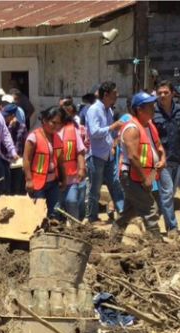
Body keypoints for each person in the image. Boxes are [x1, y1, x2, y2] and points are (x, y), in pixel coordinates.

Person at [110, 93, 166, 242]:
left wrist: (162, 158)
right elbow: (133, 156)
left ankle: (113, 240)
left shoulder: (149, 125)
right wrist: (145, 178)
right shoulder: (132, 129)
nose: (154, 108)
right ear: (139, 109)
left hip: (145, 174)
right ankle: (156, 243)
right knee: (150, 209)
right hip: (132, 176)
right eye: (150, 106)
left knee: (130, 210)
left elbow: (159, 145)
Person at [85, 81, 126, 225]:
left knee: (115, 183)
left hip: (108, 154)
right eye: (115, 93)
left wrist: (114, 140)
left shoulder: (108, 110)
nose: (117, 95)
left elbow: (108, 131)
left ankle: (123, 212)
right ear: (106, 94)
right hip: (96, 155)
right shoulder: (94, 110)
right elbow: (94, 132)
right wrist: (112, 127)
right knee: (94, 188)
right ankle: (92, 217)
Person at [152, 81, 180, 235]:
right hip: (161, 158)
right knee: (167, 192)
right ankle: (172, 227)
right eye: (160, 93)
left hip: (176, 156)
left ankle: (150, 221)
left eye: (166, 92)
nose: (162, 95)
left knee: (169, 193)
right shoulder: (153, 112)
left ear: (172, 93)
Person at [23, 107, 65, 219]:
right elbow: (26, 159)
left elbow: (61, 160)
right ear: (45, 120)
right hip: (37, 183)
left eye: (59, 123)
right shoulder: (34, 137)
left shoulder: (57, 138)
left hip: (53, 182)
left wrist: (63, 179)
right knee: (39, 213)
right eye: (53, 122)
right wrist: (29, 180)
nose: (56, 126)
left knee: (55, 212)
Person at [57, 106, 88, 222]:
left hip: (71, 176)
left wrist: (81, 168)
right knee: (57, 207)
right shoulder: (49, 132)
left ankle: (76, 228)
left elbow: (80, 151)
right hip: (55, 178)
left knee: (72, 201)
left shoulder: (72, 130)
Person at [2, 103, 28, 195]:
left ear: (13, 116)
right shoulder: (3, 126)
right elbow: (4, 141)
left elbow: (25, 145)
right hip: (5, 161)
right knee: (6, 189)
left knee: (16, 189)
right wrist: (9, 128)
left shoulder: (22, 127)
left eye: (7, 116)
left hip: (17, 163)